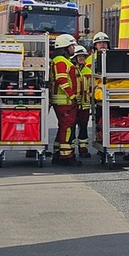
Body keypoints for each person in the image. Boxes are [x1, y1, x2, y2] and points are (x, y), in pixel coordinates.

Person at [50, 33, 81, 166]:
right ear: (65, 47)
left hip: (64, 101)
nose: (74, 49)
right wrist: (72, 96)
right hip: (65, 102)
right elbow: (62, 80)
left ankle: (58, 153)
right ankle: (66, 157)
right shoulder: (61, 61)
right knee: (67, 128)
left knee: (63, 127)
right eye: (72, 46)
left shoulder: (61, 60)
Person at [71, 45, 92, 158]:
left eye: (83, 56)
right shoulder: (72, 70)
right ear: (75, 57)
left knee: (83, 127)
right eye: (79, 56)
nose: (81, 58)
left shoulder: (89, 70)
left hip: (85, 103)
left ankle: (83, 149)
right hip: (74, 103)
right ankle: (71, 150)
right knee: (72, 126)